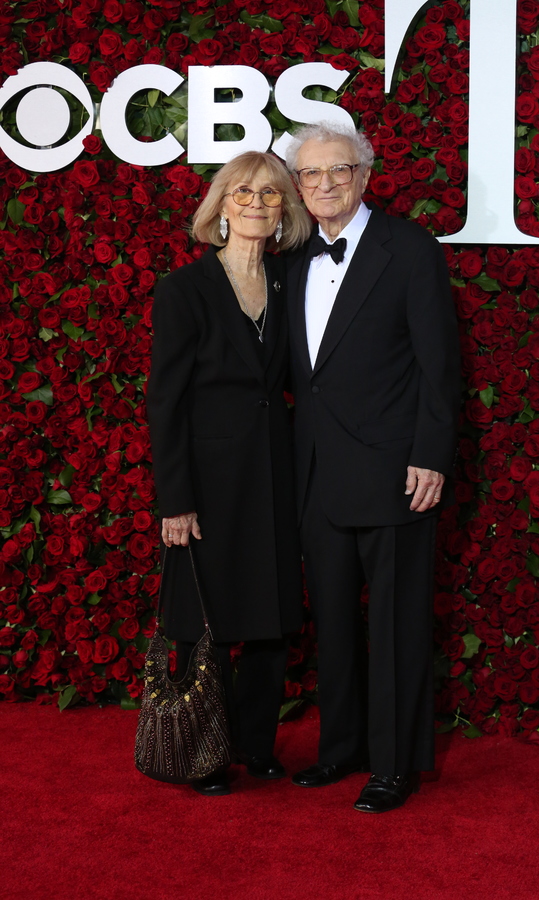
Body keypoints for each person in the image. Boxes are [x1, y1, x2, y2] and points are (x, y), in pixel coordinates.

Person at [284, 123, 461, 813]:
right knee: (332, 622)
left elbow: (439, 366)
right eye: (310, 174)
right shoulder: (294, 253)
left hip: (395, 472)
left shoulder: (409, 249)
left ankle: (394, 765)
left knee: (395, 625)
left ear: (364, 174)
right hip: (318, 476)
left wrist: (430, 455)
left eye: (337, 171)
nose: (324, 184)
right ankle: (343, 749)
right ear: (299, 185)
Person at [146, 151, 312, 796]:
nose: (256, 204)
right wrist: (175, 500)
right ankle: (200, 750)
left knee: (270, 616)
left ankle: (256, 746)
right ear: (220, 205)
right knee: (202, 620)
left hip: (274, 471)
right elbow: (165, 400)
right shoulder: (184, 289)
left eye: (271, 195)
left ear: (283, 213)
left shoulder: (287, 281)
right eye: (242, 192)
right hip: (208, 485)